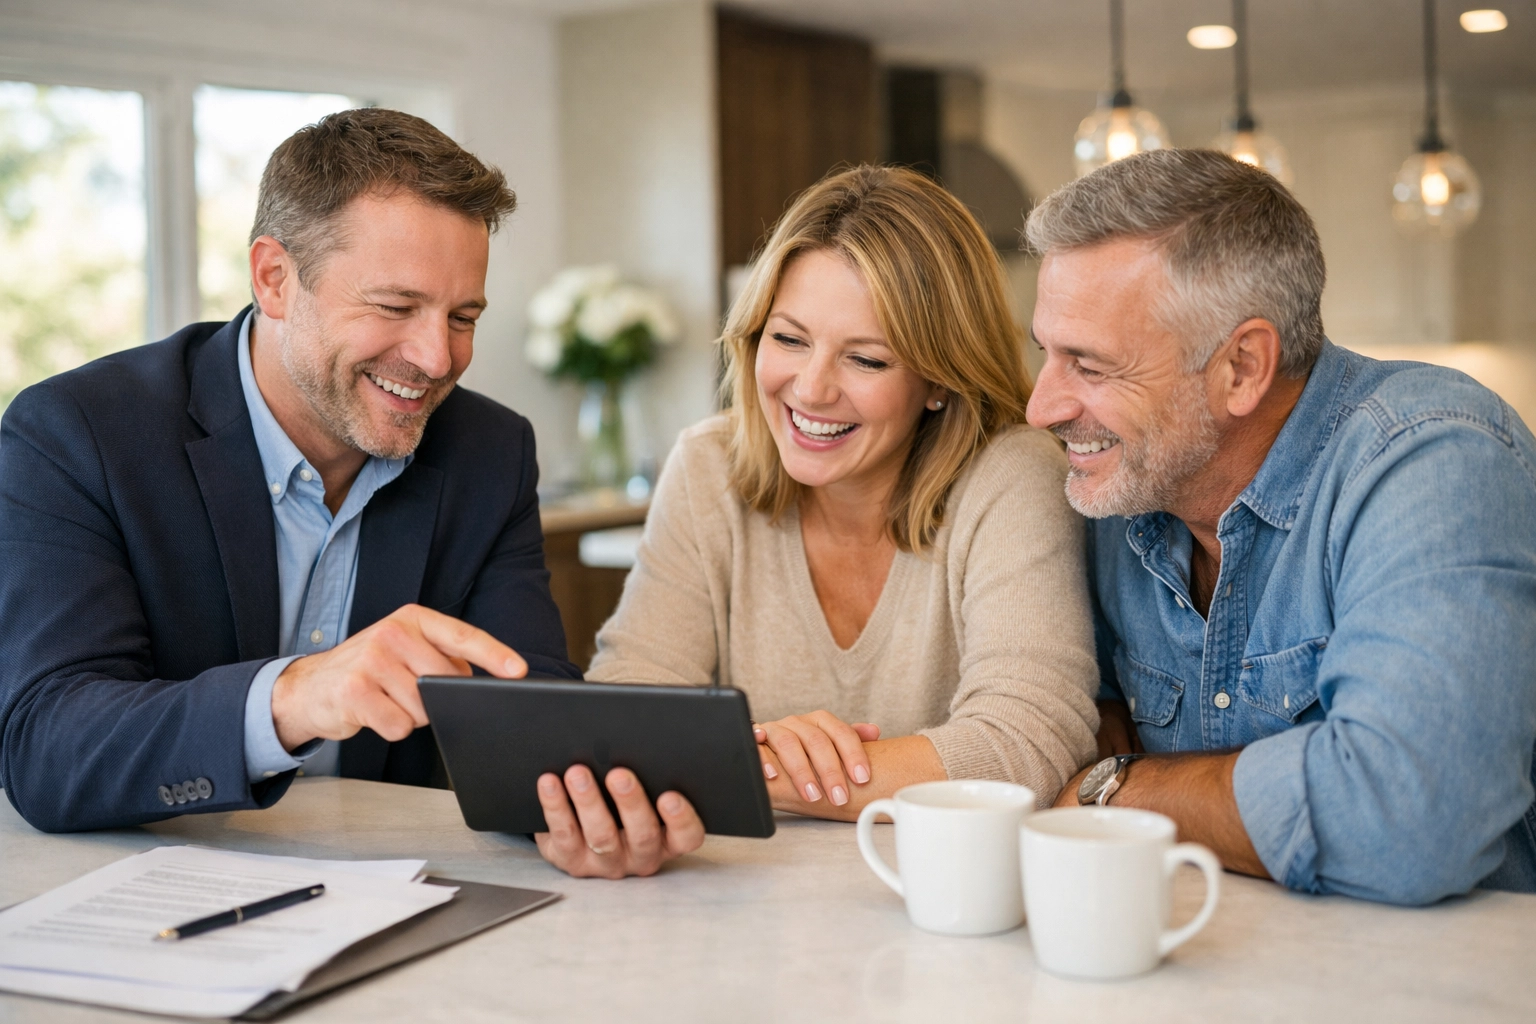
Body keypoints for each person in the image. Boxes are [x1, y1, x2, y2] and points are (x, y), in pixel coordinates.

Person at [0, 109, 705, 879]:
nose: (436, 357)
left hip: (402, 895)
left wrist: (589, 808)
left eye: (463, 316)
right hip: (145, 897)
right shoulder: (76, 433)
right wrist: (294, 697)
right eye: (396, 307)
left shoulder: (490, 452)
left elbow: (529, 710)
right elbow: (47, 744)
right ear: (274, 278)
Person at [1023, 148, 1536, 905]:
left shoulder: (1433, 456)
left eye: (1091, 367)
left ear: (1243, 366)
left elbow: (1408, 821)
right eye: (1047, 353)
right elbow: (1074, 718)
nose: (1043, 408)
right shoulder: (1124, 486)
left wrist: (1117, 790)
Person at [576, 164, 1101, 833]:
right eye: (789, 339)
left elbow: (1025, 747)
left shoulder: (1012, 475)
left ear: (939, 380)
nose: (813, 389)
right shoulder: (708, 465)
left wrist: (742, 763)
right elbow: (621, 719)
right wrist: (778, 760)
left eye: (868, 359)